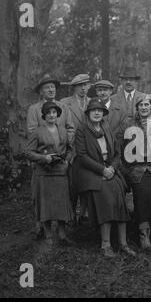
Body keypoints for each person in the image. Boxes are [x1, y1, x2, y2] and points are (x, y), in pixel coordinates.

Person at [75, 98, 136, 258]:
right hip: (92, 173)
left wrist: (112, 168)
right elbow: (82, 156)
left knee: (120, 197)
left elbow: (116, 154)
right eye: (93, 111)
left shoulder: (107, 128)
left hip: (109, 170)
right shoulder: (82, 130)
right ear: (88, 114)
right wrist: (103, 170)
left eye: (100, 111)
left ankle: (123, 244)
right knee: (106, 198)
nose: (96, 113)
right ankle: (105, 244)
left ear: (103, 114)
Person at [26, 74, 74, 239]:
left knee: (61, 199)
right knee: (42, 198)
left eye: (53, 86)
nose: (51, 89)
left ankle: (62, 232)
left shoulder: (63, 107)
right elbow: (33, 136)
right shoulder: (34, 109)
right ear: (41, 91)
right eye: (47, 87)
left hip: (60, 163)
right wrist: (44, 156)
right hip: (43, 162)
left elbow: (70, 130)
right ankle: (43, 230)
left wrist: (65, 157)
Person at [120, 95, 151, 249]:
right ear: (137, 108)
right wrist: (127, 168)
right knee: (143, 192)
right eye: (141, 105)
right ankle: (144, 232)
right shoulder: (129, 124)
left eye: (147, 104)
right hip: (137, 168)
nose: (144, 107)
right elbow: (122, 148)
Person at [60, 74, 92, 223]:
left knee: (87, 183)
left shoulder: (92, 103)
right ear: (74, 87)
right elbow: (62, 127)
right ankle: (70, 214)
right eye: (81, 85)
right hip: (72, 150)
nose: (84, 88)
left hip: (88, 150)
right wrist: (67, 148)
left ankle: (84, 214)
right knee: (71, 185)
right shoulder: (64, 103)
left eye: (86, 85)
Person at [109, 67, 146, 137]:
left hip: (139, 138)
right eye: (126, 79)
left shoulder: (144, 98)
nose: (128, 82)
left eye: (131, 79)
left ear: (136, 82)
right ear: (122, 81)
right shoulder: (113, 99)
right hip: (118, 138)